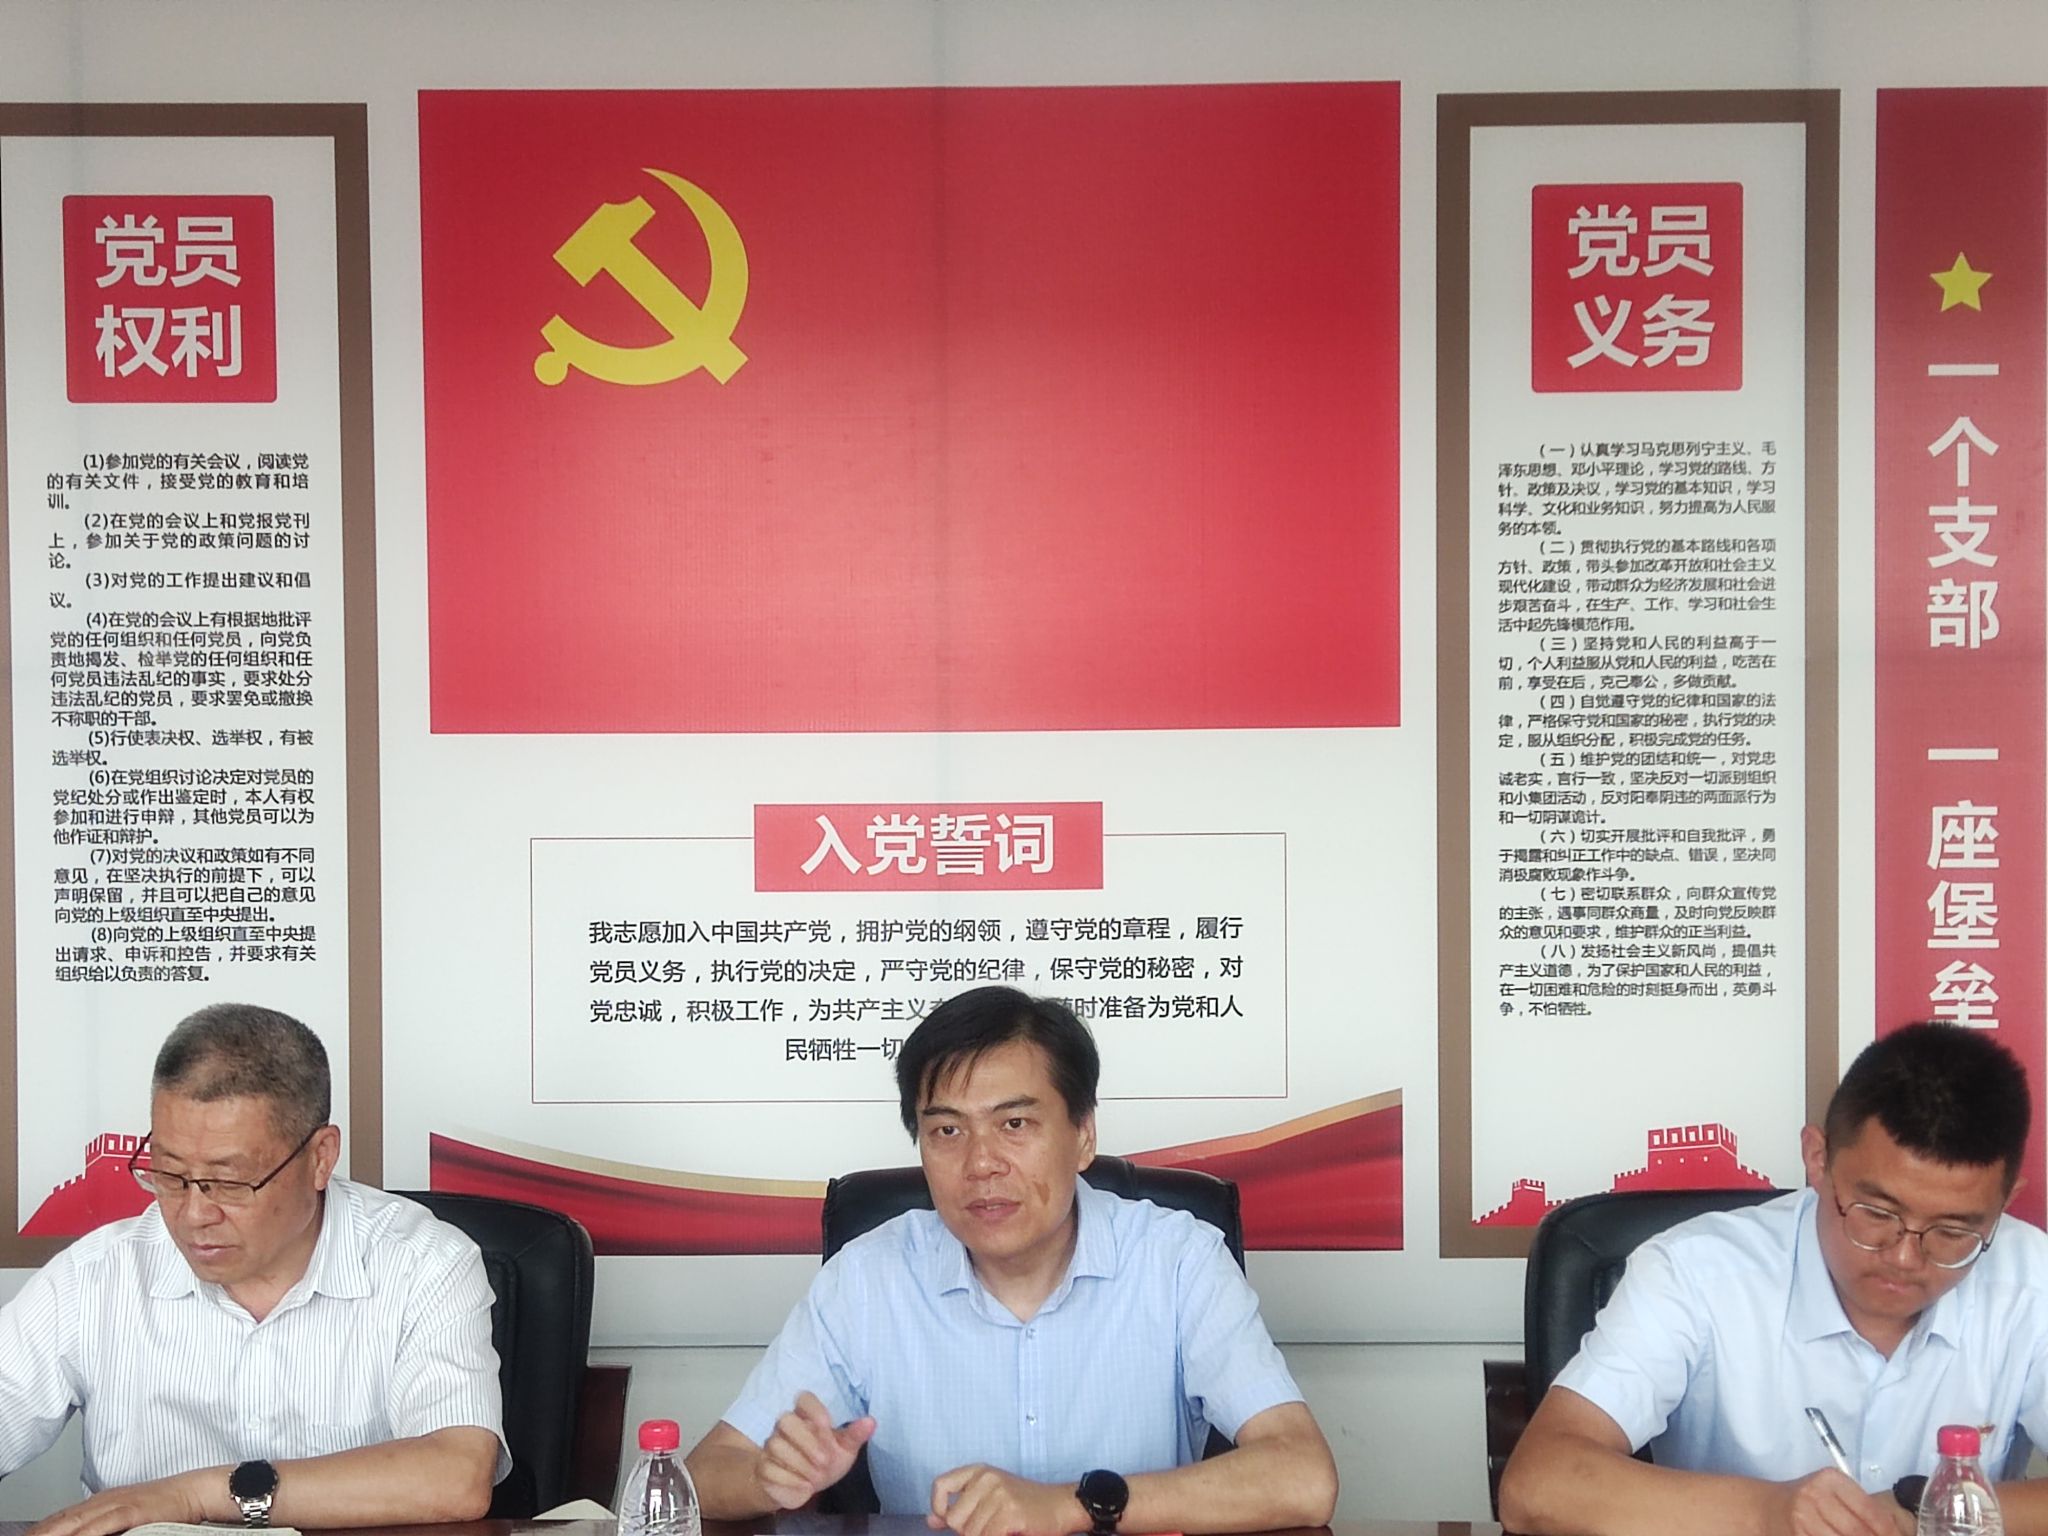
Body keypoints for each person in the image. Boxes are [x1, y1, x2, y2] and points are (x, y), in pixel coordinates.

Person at [686, 985, 1337, 1536]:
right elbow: (702, 1474)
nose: (981, 1163)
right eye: (947, 1130)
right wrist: (768, 1477)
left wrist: (1071, 1505)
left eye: (1015, 1125)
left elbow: (1303, 1475)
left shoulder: (1178, 1260)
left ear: (1083, 1135)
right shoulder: (866, 1278)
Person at [1500, 1021, 2048, 1536]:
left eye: (1953, 1231)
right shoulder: (1696, 1272)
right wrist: (1770, 1513)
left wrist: (1921, 1511)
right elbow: (1536, 1486)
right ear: (1817, 1159)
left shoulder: (2031, 1278)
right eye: (1877, 1214)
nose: (1906, 1258)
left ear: (2004, 1204)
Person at [0, 1002, 508, 1536]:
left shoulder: (424, 1264)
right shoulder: (95, 1276)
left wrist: (191, 1496)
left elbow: (456, 1474)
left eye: (229, 1182)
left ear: (320, 1158)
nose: (193, 1214)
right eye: (169, 1174)